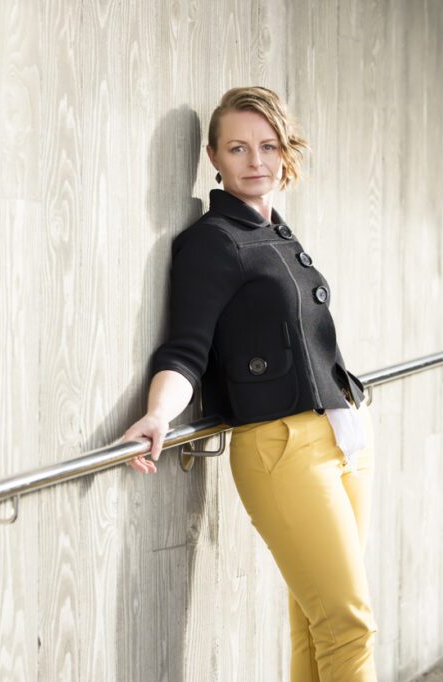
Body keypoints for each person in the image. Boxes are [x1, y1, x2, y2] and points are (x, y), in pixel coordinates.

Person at [120, 86, 379, 681]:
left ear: (286, 151)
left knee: (318, 625)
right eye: (238, 148)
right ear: (213, 156)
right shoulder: (212, 244)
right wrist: (159, 413)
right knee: (350, 625)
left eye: (267, 146)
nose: (255, 161)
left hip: (344, 437)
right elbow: (186, 349)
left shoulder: (279, 234)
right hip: (283, 449)